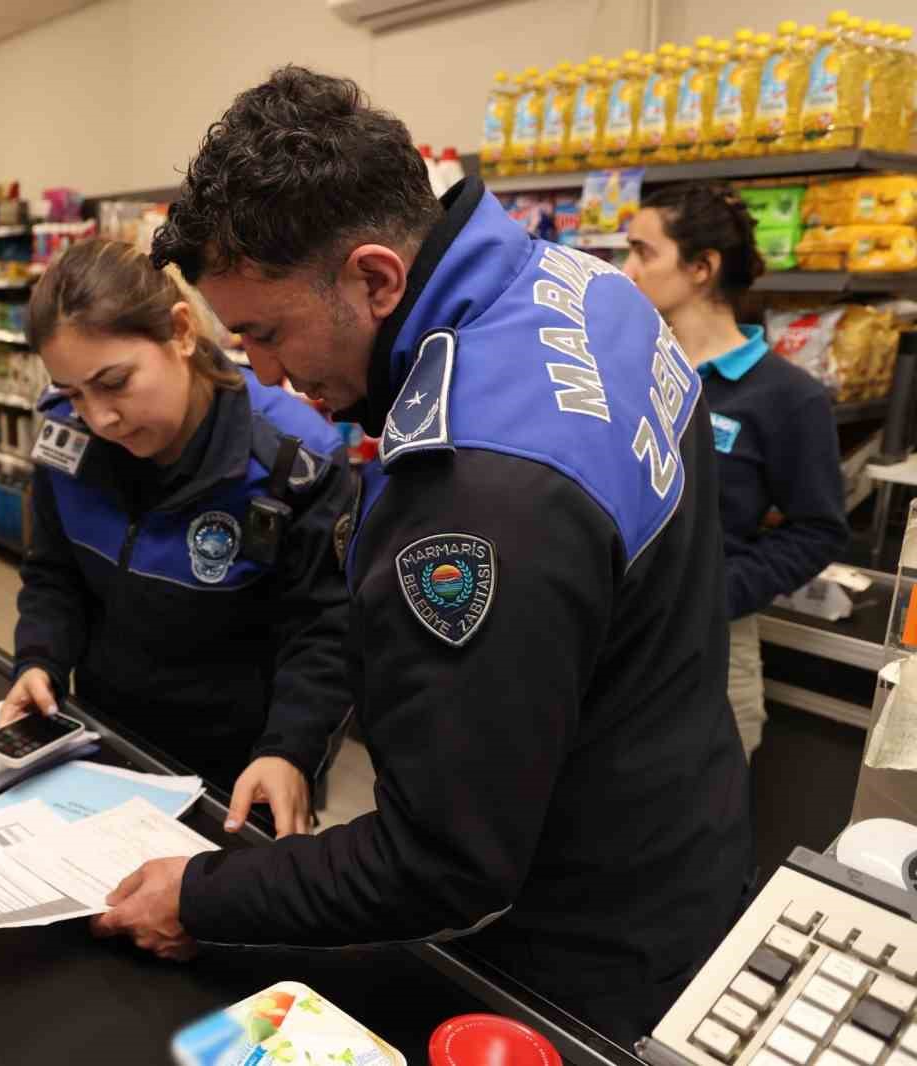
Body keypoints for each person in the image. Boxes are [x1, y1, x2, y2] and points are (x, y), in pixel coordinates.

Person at [92, 67, 752, 1045]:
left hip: (574, 942)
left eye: (267, 333)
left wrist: (203, 892)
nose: (266, 374)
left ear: (373, 276)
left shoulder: (477, 495)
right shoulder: (585, 287)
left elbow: (441, 858)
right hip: (679, 813)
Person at [0, 238, 353, 837]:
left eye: (114, 382)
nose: (99, 418)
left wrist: (290, 750)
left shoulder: (297, 460)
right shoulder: (68, 441)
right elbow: (54, 574)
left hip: (242, 774)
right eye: (74, 393)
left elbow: (328, 633)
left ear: (181, 331)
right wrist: (40, 661)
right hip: (104, 748)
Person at [625, 184, 848, 759]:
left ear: (702, 267)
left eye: (643, 252)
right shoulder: (629, 368)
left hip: (711, 648)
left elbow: (818, 529)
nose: (626, 270)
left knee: (692, 834)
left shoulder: (788, 396)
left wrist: (714, 592)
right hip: (609, 633)